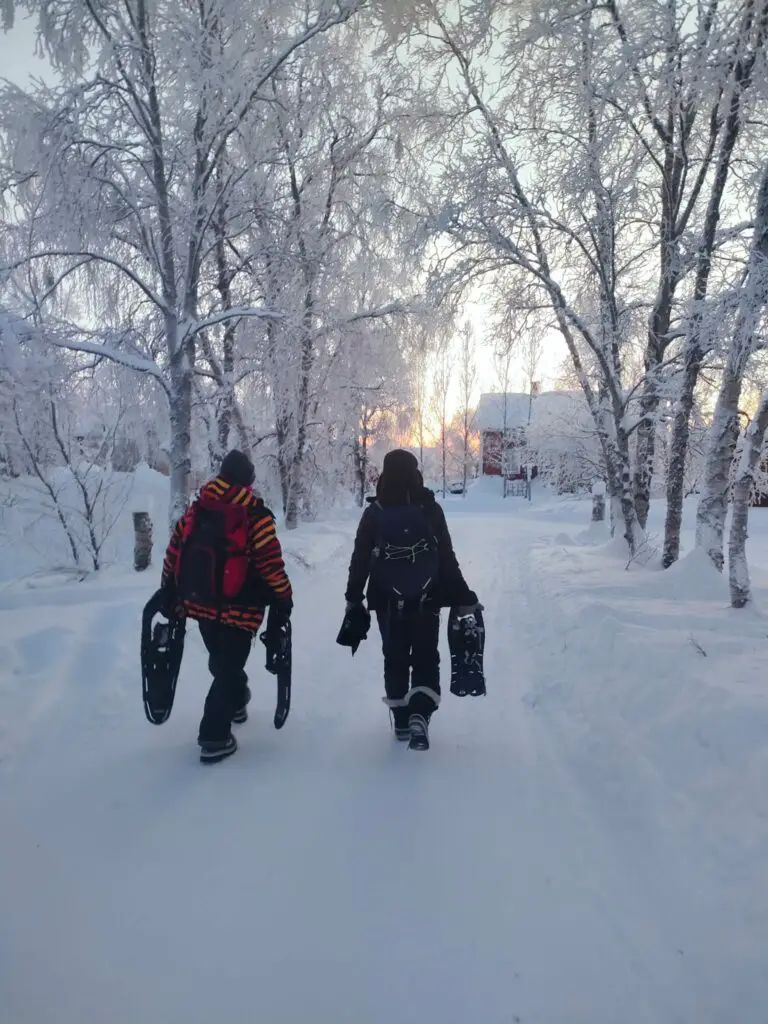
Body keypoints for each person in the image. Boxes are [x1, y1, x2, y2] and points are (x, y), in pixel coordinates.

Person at [161, 450, 292, 763]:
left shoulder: (197, 509)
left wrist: (168, 590)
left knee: (223, 661)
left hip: (200, 603)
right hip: (240, 609)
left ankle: (236, 702)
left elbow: (174, 551)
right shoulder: (254, 515)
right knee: (228, 666)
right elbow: (269, 563)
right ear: (248, 481)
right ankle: (214, 736)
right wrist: (284, 596)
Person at [345, 448, 479, 750]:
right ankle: (421, 712)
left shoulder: (374, 512)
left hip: (385, 600)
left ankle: (402, 719)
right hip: (427, 598)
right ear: (416, 474)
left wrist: (353, 598)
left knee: (394, 656)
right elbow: (446, 558)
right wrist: (464, 596)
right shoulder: (430, 509)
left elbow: (360, 559)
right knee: (424, 655)